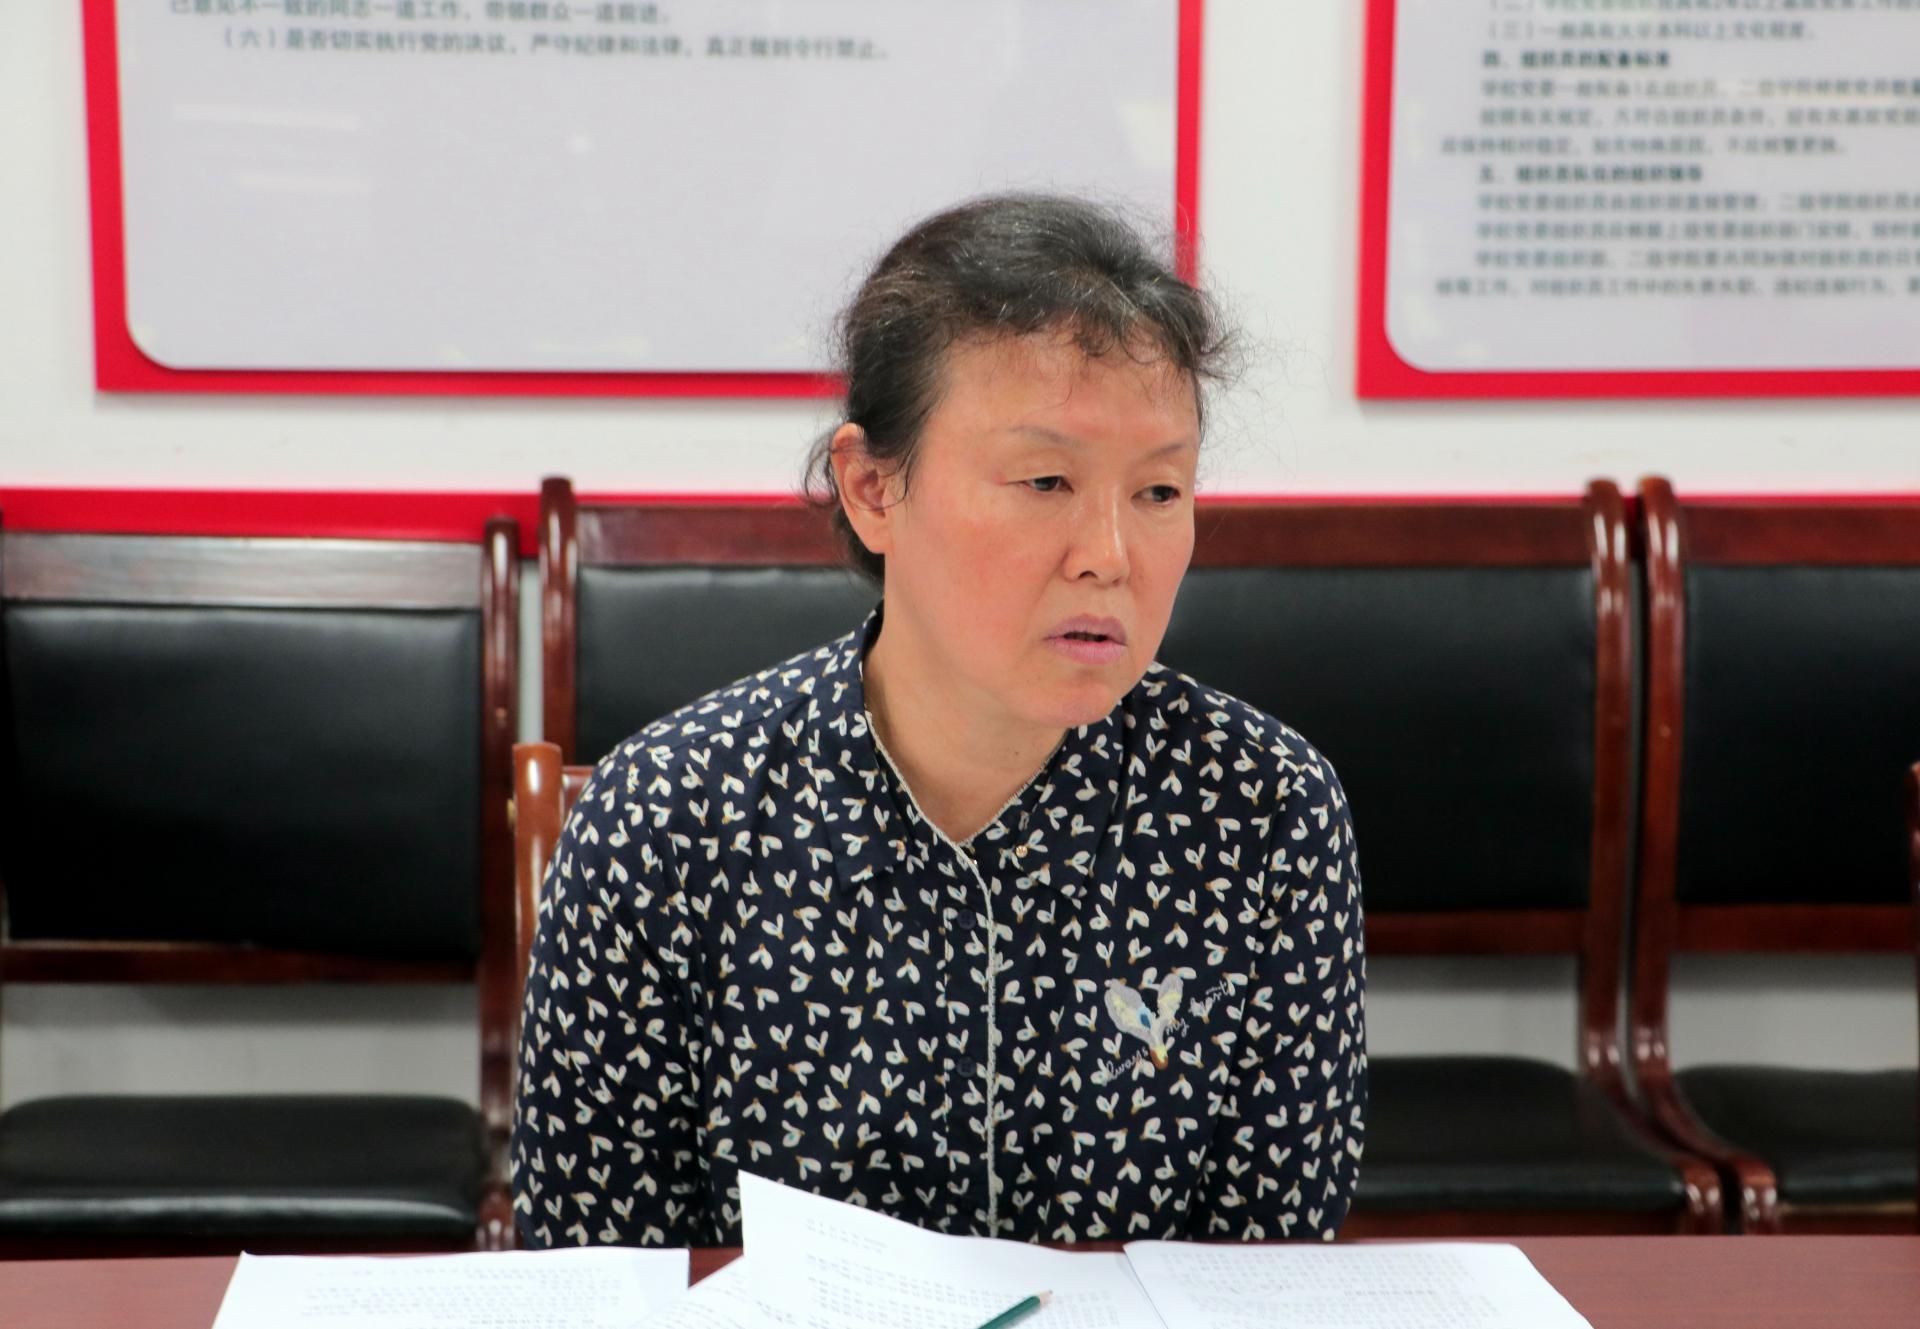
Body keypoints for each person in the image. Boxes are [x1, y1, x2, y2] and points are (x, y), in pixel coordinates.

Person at [512, 194, 1366, 1249]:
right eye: (1046, 480)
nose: (1109, 556)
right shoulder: (668, 820)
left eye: (1159, 491)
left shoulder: (1261, 811)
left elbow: (1271, 1269)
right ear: (873, 489)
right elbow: (594, 1278)